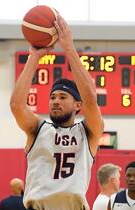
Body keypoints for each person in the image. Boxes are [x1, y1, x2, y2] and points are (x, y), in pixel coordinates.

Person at [10, 14, 104, 210]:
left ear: (78, 105)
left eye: (62, 97)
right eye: (52, 97)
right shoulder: (38, 128)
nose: (55, 101)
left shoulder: (88, 132)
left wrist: (69, 49)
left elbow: (91, 100)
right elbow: (17, 106)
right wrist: (34, 57)